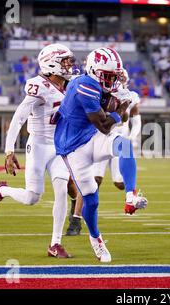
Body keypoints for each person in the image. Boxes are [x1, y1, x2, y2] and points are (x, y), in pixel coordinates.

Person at [0, 43, 77, 259]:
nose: (69, 65)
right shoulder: (39, 86)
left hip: (59, 146)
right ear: (52, 63)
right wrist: (9, 150)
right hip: (38, 146)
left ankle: (55, 243)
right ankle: (2, 191)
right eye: (65, 61)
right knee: (32, 198)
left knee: (61, 190)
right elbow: (18, 118)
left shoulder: (70, 85)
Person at [53, 47, 148, 262]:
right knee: (91, 199)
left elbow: (117, 119)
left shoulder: (98, 84)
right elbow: (106, 124)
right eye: (107, 76)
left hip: (91, 136)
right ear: (94, 71)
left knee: (124, 144)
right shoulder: (84, 85)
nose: (111, 80)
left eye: (113, 76)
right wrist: (121, 105)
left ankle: (131, 194)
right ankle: (96, 239)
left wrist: (120, 99)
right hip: (73, 148)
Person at [65, 68, 143, 236]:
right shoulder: (98, 91)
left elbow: (132, 121)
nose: (116, 82)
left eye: (119, 80)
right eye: (114, 78)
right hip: (98, 138)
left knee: (119, 183)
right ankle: (76, 220)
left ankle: (131, 195)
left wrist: (132, 137)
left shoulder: (129, 96)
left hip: (117, 138)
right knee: (93, 180)